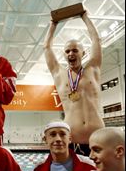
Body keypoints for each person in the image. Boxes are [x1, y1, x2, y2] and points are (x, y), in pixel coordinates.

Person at [44, 11, 105, 155]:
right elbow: (47, 47)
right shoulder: (59, 74)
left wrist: (84, 16)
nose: (71, 53)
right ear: (64, 55)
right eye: (67, 51)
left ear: (83, 53)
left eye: (75, 50)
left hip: (98, 138)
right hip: (71, 140)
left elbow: (96, 40)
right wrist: (53, 24)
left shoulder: (93, 68)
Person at [32, 120, 96, 171]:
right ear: (45, 139)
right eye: (53, 135)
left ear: (70, 139)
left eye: (63, 134)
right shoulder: (38, 170)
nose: (58, 139)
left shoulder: (90, 166)